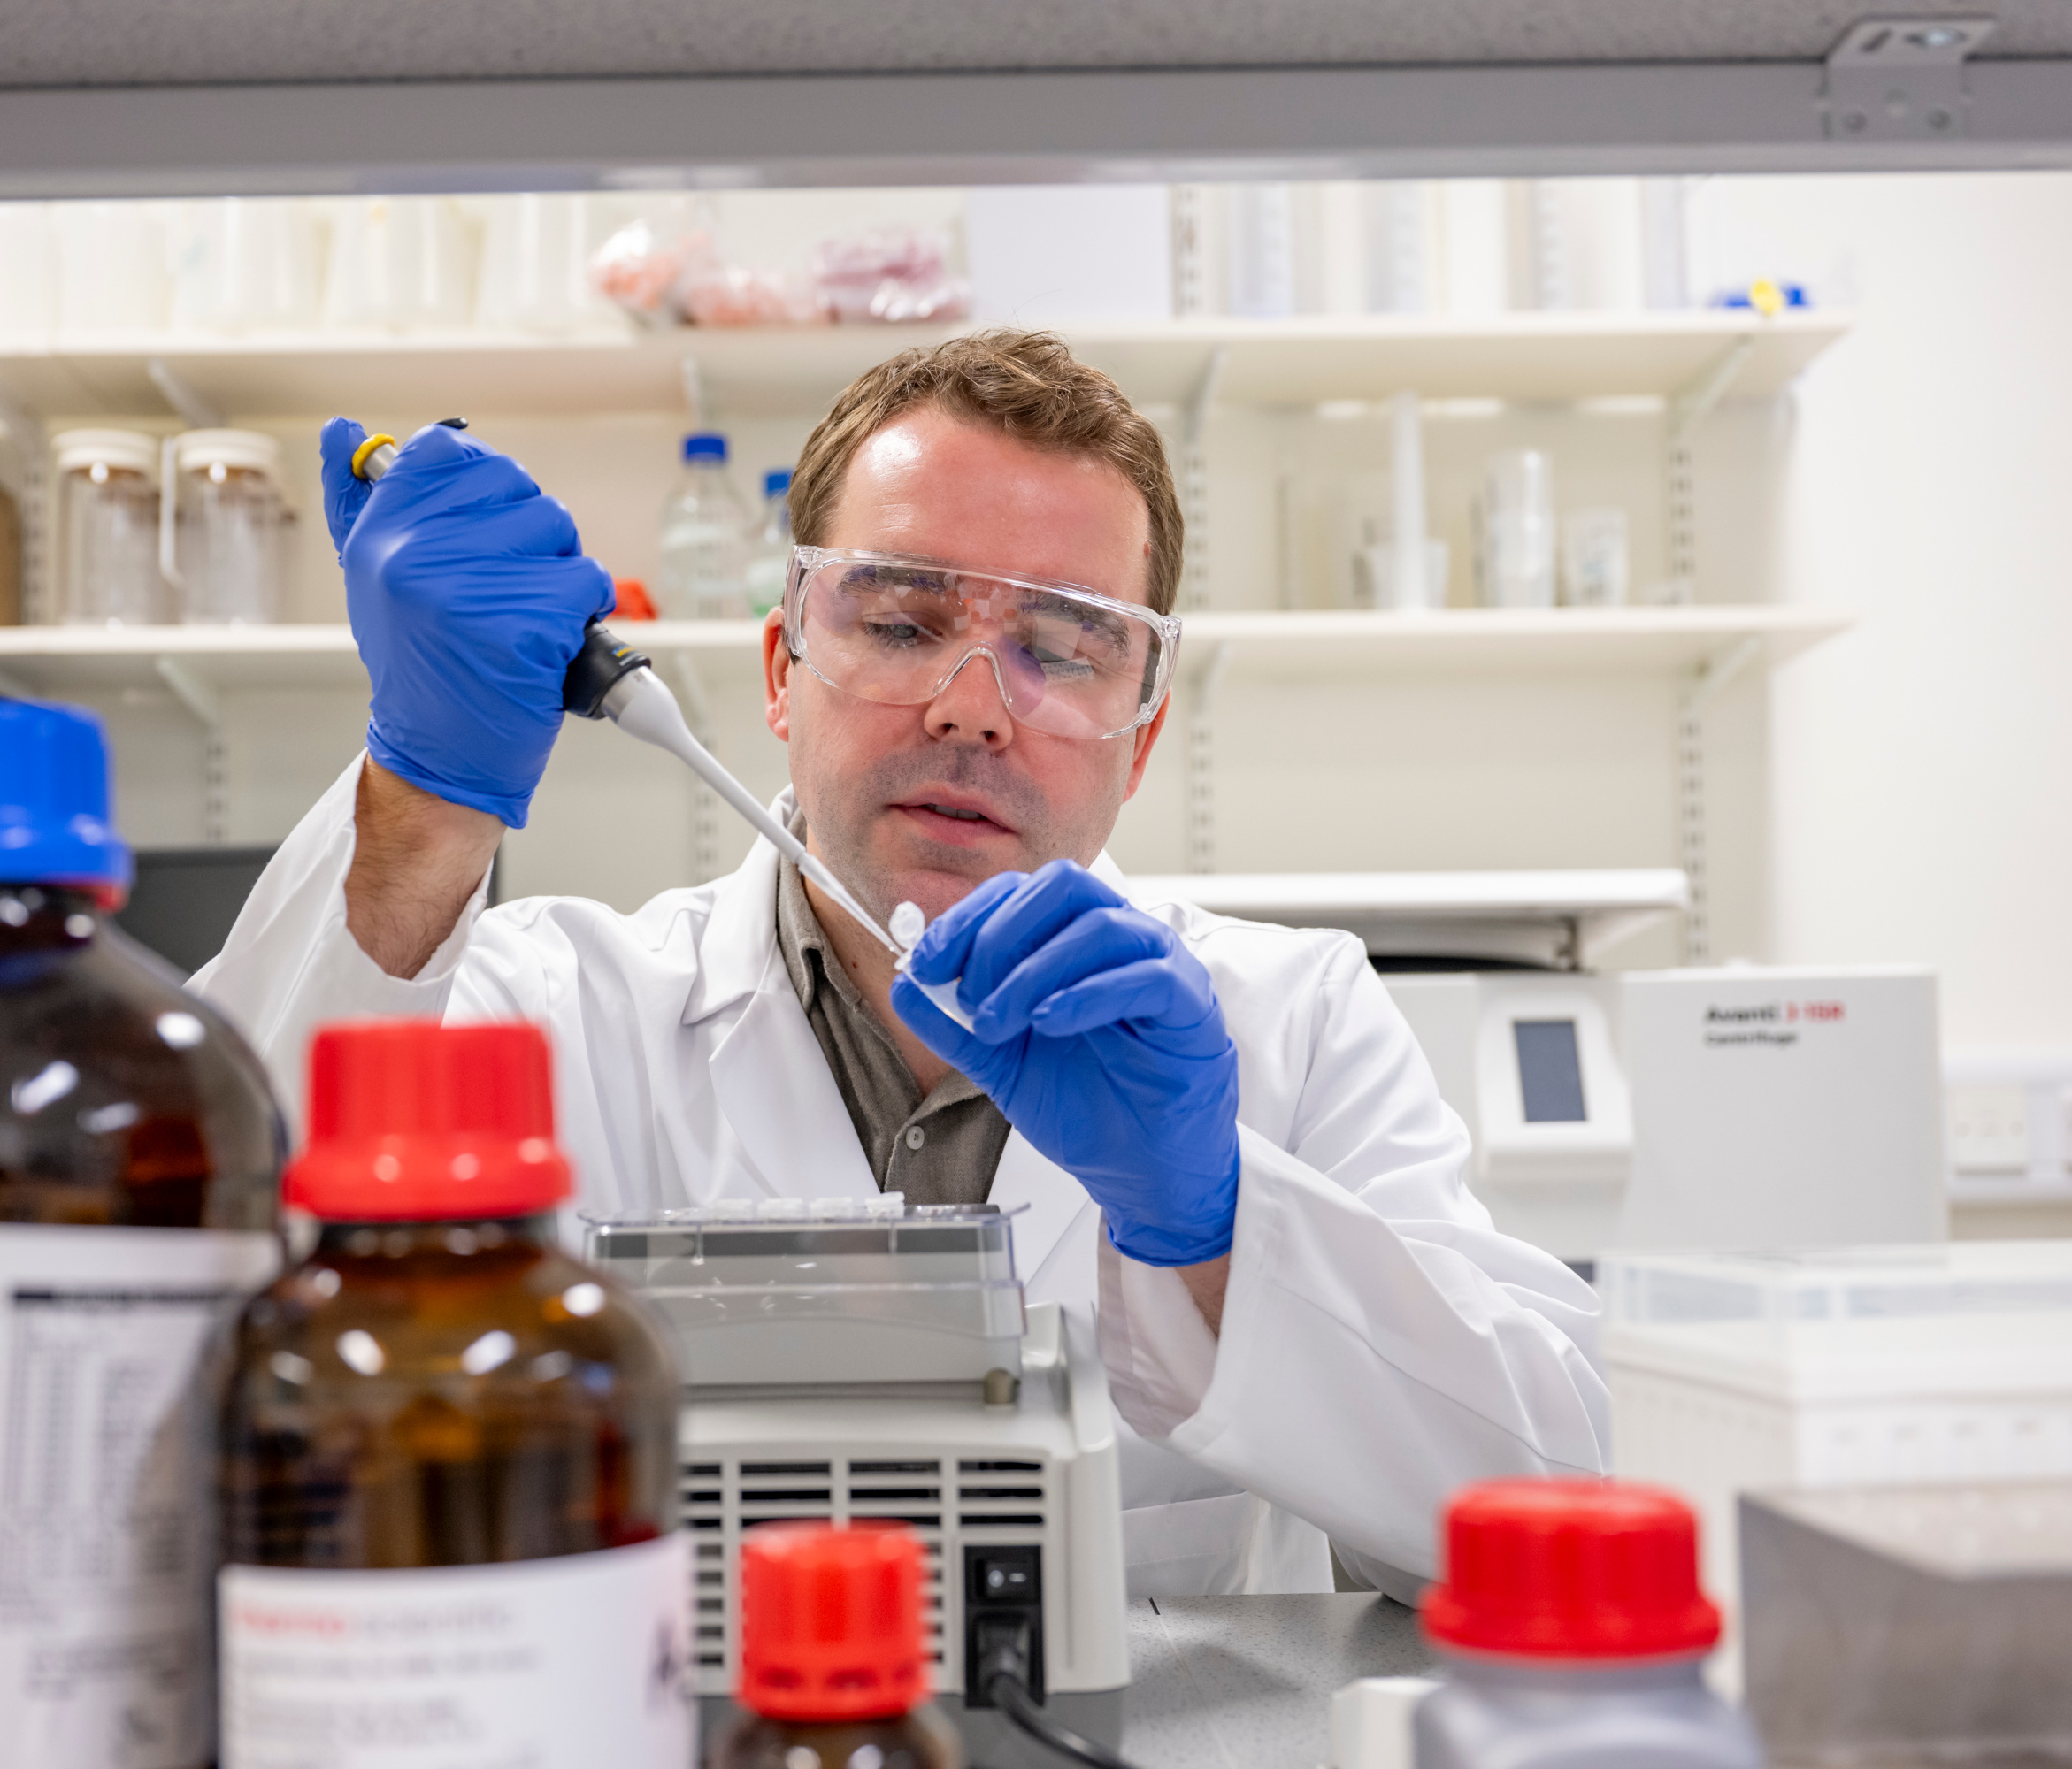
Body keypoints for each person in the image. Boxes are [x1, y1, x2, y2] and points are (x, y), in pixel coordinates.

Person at [193, 330, 1608, 1600]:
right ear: (779, 672)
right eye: (902, 621)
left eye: (1062, 647)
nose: (973, 707)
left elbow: (1552, 1503)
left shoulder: (1293, 1026)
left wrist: (1221, 1224)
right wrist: (425, 797)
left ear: (1142, 739)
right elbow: (191, 1294)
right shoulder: (561, 1009)